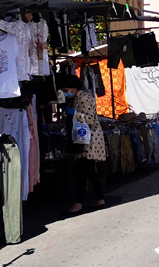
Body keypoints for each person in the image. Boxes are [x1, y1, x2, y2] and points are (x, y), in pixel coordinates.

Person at [59, 74, 106, 214]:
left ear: (74, 88)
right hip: (82, 139)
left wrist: (75, 114)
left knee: (80, 172)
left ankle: (78, 203)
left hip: (89, 141)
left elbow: (90, 119)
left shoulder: (84, 98)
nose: (66, 93)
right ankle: (100, 199)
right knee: (90, 172)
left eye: (67, 89)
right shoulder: (75, 99)